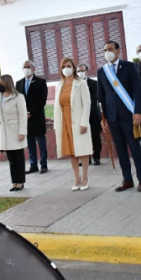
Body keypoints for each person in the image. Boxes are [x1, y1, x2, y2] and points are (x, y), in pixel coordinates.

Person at [97, 40, 141, 192]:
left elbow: (138, 90)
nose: (108, 52)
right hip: (112, 117)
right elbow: (100, 96)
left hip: (129, 115)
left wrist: (138, 111)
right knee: (120, 150)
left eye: (111, 49)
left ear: (118, 51)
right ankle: (127, 179)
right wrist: (102, 117)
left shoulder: (129, 67)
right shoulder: (102, 71)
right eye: (105, 49)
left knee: (135, 149)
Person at [55, 58, 93, 190]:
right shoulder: (59, 85)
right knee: (71, 151)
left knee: (82, 151)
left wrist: (84, 123)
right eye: (64, 66)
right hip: (65, 121)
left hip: (78, 121)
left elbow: (87, 104)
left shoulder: (81, 83)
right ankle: (76, 178)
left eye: (69, 66)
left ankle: (85, 177)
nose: (66, 68)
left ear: (73, 67)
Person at [0, 74, 28, 191]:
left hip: (15, 131)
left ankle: (20, 182)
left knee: (18, 158)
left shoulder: (18, 97)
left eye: (1, 83)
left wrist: (22, 132)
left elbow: (23, 116)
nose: (0, 86)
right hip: (4, 132)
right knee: (11, 160)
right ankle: (14, 182)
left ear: (7, 83)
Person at [16, 60, 49, 174]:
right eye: (24, 67)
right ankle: (33, 165)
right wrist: (24, 113)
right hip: (26, 119)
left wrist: (30, 112)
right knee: (30, 143)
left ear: (34, 68)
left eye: (28, 66)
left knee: (41, 142)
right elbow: (18, 100)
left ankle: (43, 164)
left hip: (37, 117)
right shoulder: (19, 83)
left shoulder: (40, 82)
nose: (26, 69)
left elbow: (42, 100)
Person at [77, 63, 102, 166]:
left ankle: (96, 157)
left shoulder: (94, 84)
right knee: (83, 138)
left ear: (86, 72)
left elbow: (93, 99)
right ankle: (86, 158)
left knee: (95, 137)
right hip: (80, 116)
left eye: (82, 70)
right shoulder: (75, 84)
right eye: (78, 71)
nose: (80, 73)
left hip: (92, 114)